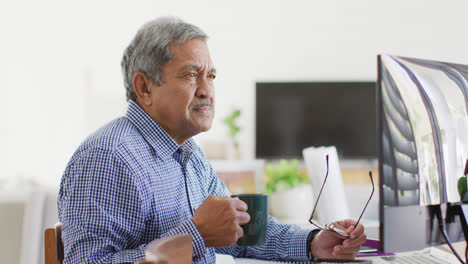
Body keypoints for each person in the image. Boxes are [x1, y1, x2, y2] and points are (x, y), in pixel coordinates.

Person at [57, 16, 366, 263]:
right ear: (144, 88)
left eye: (211, 76)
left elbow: (243, 233)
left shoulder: (188, 152)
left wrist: (314, 244)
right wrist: (196, 236)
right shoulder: (108, 157)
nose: (207, 90)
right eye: (192, 75)